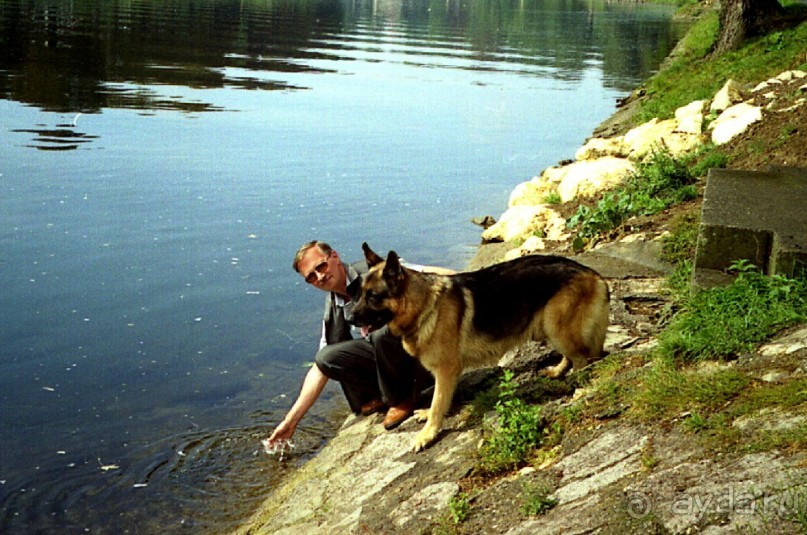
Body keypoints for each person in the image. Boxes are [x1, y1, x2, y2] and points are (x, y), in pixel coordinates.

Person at [264, 240, 437, 449]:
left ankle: (403, 397)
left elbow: (427, 274)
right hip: (392, 358)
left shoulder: (373, 272)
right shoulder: (333, 308)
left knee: (381, 333)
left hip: (421, 352)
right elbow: (320, 369)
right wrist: (291, 421)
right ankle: (381, 395)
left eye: (321, 266)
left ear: (335, 257)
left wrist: (470, 285)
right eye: (311, 276)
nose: (319, 276)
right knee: (326, 357)